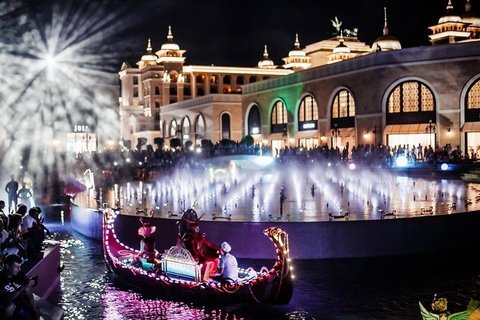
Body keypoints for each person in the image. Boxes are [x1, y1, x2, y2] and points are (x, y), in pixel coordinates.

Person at [0, 254, 39, 320]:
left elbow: (28, 291)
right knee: (10, 307)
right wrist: (23, 287)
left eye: (20, 267)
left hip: (19, 306)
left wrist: (34, 310)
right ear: (7, 266)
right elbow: (8, 298)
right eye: (16, 267)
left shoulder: (19, 274)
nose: (19, 269)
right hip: (5, 308)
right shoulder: (1, 278)